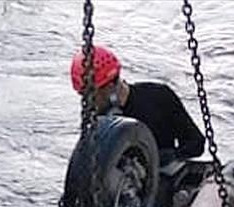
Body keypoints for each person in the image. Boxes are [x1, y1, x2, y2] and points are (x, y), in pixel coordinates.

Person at [70, 45, 205, 164]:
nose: (88, 103)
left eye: (91, 95)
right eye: (83, 96)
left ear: (110, 86)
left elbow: (196, 143)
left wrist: (171, 156)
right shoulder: (97, 121)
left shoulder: (159, 97)